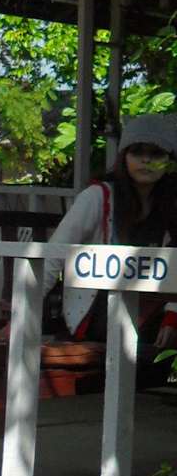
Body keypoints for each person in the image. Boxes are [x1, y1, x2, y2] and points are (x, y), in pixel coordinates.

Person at [44, 113, 177, 355]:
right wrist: (20, 315)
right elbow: (52, 256)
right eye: (137, 152)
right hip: (98, 315)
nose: (146, 160)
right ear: (123, 157)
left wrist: (172, 315)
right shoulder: (97, 197)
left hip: (150, 316)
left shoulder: (170, 207)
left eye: (156, 153)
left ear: (169, 161)